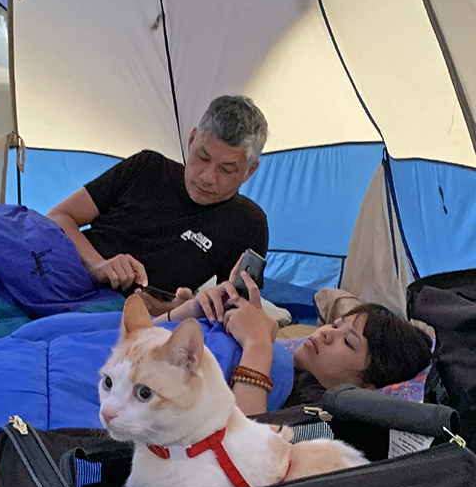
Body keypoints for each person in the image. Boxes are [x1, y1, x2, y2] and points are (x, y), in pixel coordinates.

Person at [47, 95, 269, 315]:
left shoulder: (248, 224)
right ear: (191, 140)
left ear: (249, 171)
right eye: (202, 157)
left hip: (115, 313)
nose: (207, 177)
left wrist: (176, 311)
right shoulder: (146, 167)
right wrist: (98, 265)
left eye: (226, 170)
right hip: (58, 270)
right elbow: (58, 217)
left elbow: (238, 312)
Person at [159, 262, 433, 416]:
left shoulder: (317, 415)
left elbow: (244, 444)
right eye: (336, 324)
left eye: (348, 342)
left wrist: (257, 343)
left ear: (367, 385)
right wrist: (186, 312)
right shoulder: (291, 364)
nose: (326, 333)